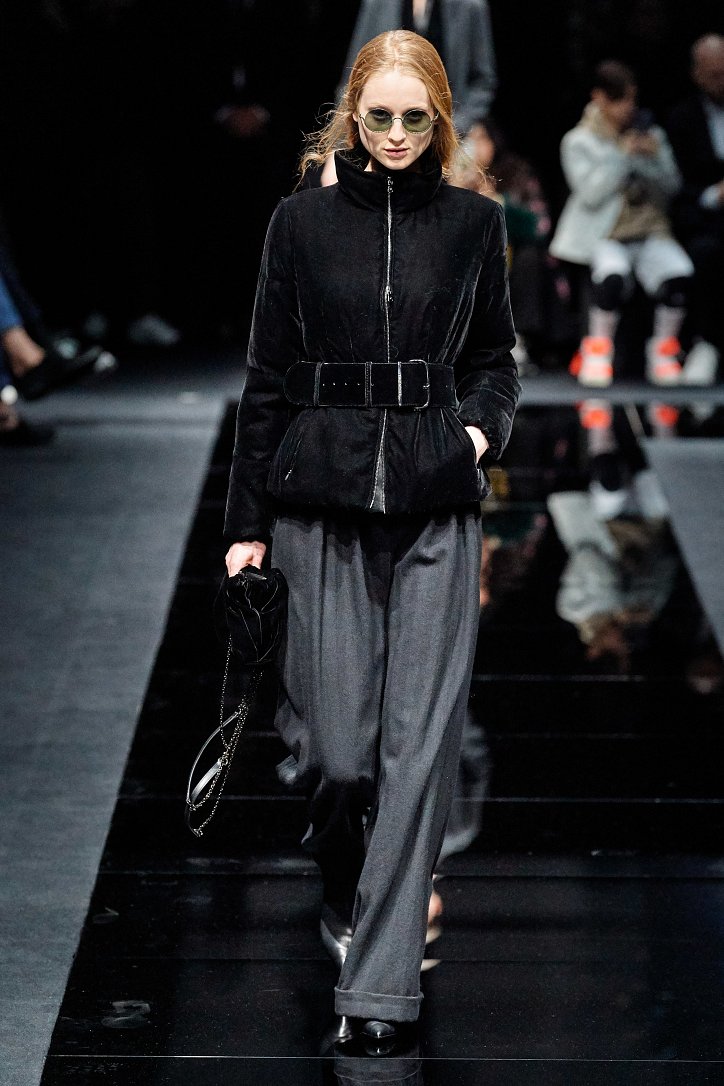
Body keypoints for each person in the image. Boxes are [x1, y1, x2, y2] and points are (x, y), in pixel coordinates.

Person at [223, 30, 519, 1048]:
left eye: (414, 120)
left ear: (439, 121)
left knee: (416, 755)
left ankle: (379, 997)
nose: (395, 136)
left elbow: (495, 360)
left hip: (436, 508)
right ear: (352, 115)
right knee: (338, 757)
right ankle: (343, 876)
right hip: (319, 504)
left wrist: (472, 437)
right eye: (379, 117)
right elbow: (266, 379)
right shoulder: (299, 224)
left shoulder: (474, 224)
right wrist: (245, 528)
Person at [549, 60, 695, 388]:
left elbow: (672, 187)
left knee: (678, 275)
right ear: (599, 98)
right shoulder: (579, 140)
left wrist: (652, 159)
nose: (628, 107)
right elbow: (591, 194)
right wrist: (623, 156)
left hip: (650, 230)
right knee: (611, 277)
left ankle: (663, 352)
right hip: (605, 234)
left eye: (632, 99)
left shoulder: (651, 135)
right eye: (620, 99)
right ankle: (598, 352)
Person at [339, 0, 497, 135]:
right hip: (383, 127)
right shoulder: (379, 4)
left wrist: (458, 125)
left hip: (450, 131)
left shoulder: (469, 6)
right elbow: (354, 74)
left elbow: (483, 81)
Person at [666, 34, 724, 384]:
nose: (721, 82)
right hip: (702, 217)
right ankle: (706, 345)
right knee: (707, 253)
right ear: (697, 74)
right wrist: (713, 196)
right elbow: (674, 184)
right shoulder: (682, 118)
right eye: (714, 75)